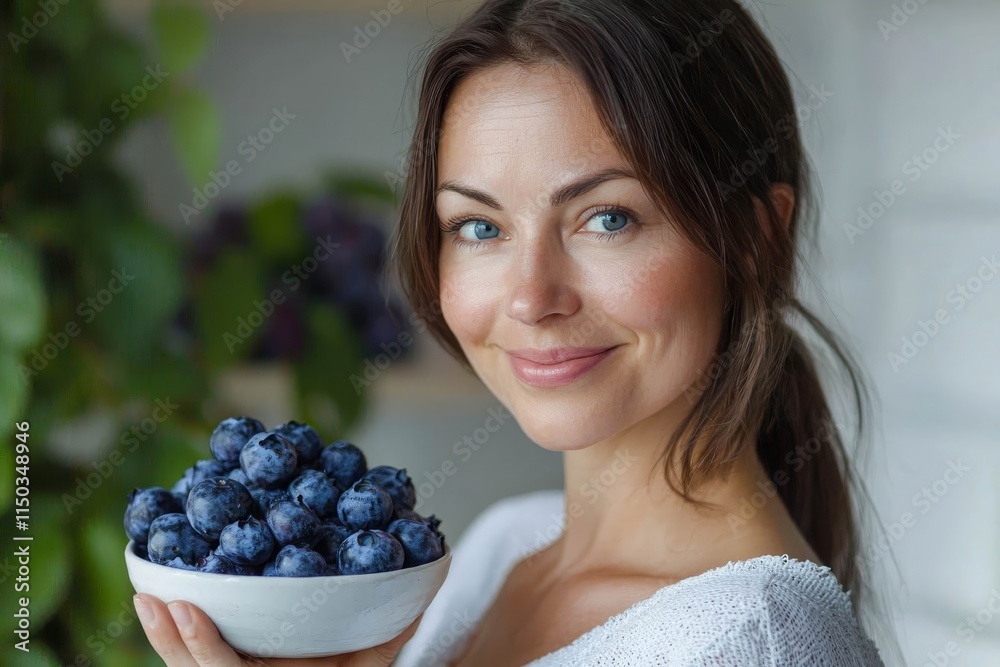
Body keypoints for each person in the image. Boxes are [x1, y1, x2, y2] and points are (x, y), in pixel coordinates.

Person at [135, 0, 890, 665]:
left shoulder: (747, 641)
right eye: (479, 225)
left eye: (607, 218)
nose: (531, 297)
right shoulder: (497, 550)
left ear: (756, 241)